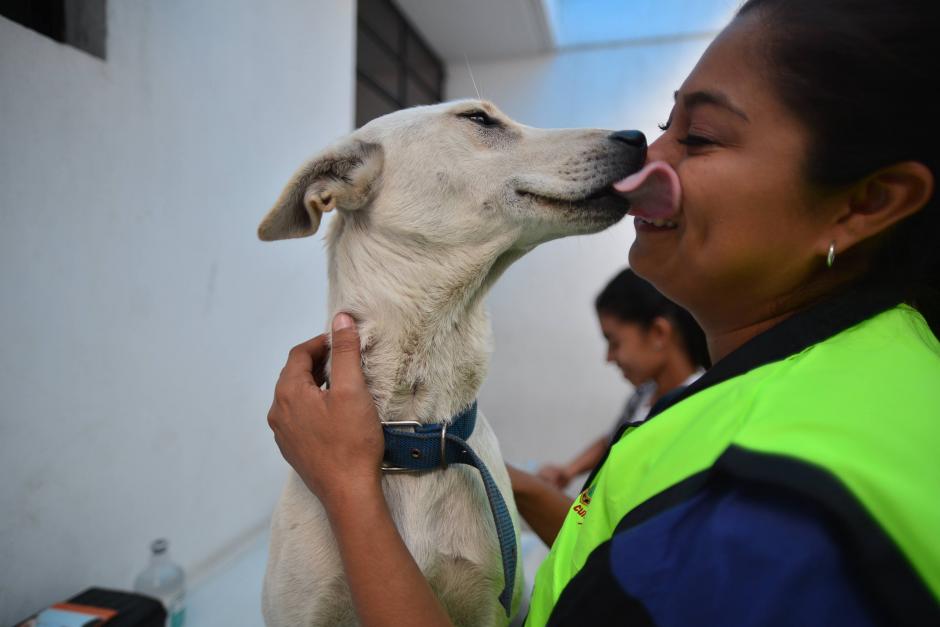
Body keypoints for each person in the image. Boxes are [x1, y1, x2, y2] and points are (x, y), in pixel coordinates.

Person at [265, 0, 940, 624]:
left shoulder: (786, 503)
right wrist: (515, 486)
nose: (651, 154)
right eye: (665, 125)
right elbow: (636, 555)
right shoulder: (825, 380)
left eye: (699, 136)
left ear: (866, 204)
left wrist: (349, 489)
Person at [536, 267, 709, 492]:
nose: (608, 358)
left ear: (658, 333)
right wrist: (569, 471)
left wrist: (528, 489)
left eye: (614, 342)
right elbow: (612, 440)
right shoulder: (643, 396)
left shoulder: (696, 406)